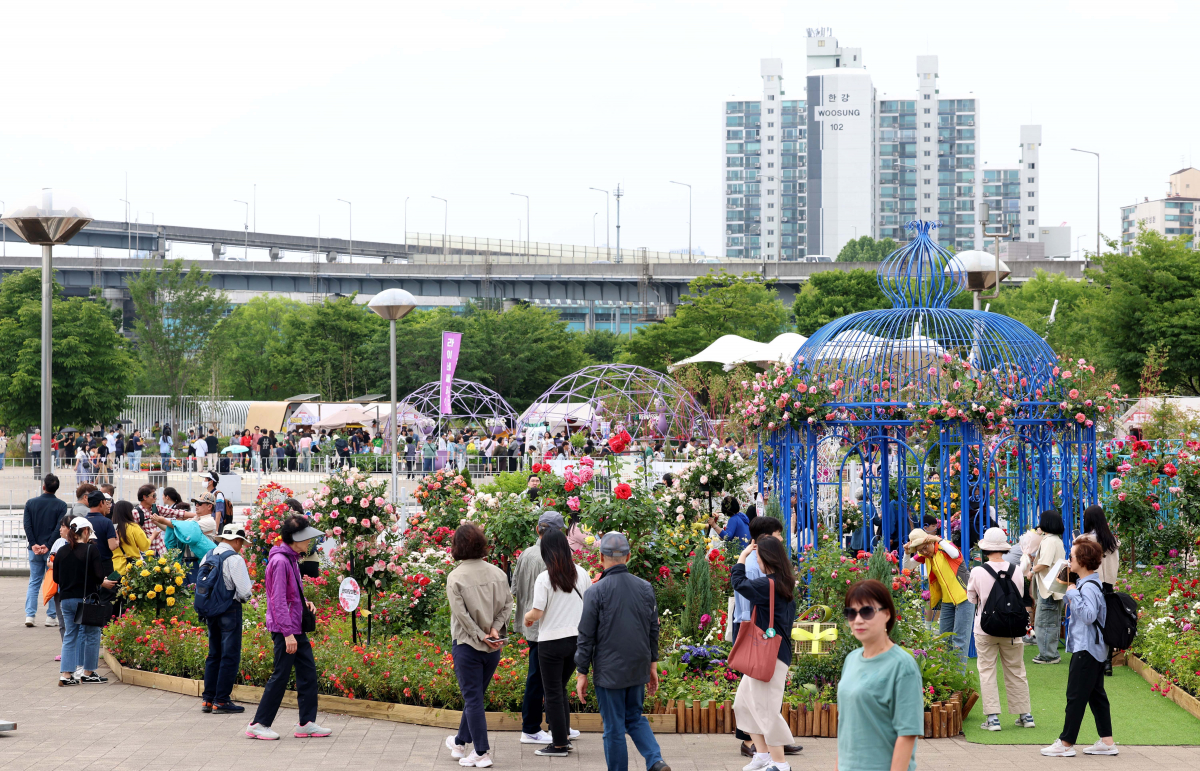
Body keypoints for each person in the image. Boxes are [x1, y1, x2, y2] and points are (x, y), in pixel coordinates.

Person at [575, 532, 670, 771]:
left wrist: (581, 672)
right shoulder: (645, 588)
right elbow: (653, 629)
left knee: (614, 727)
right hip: (637, 664)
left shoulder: (595, 592)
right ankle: (655, 760)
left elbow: (586, 636)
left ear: (600, 558)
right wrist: (652, 664)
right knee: (634, 718)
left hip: (609, 670)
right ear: (628, 556)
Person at [246, 514, 331, 740]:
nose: (309, 543)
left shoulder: (291, 558)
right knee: (281, 675)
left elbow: (290, 596)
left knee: (308, 673)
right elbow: (277, 600)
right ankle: (258, 723)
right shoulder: (281, 561)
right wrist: (287, 634)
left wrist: (305, 603)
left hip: (295, 627)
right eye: (306, 538)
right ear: (294, 538)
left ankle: (306, 722)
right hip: (286, 630)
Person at [730, 516, 802, 758]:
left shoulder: (767, 584)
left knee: (766, 710)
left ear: (767, 559)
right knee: (744, 705)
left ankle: (779, 762)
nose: (756, 562)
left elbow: (739, 582)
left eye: (758, 558)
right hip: (769, 653)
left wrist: (741, 557)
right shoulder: (780, 582)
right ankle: (761, 756)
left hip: (770, 656)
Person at [1041, 537, 1118, 757]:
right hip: (1092, 648)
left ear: (1082, 560)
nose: (1069, 560)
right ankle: (1107, 741)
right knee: (1096, 696)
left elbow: (1088, 615)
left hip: (1087, 649)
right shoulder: (1088, 584)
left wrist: (1072, 592)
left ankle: (1066, 744)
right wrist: (1070, 590)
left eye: (1072, 556)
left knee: (1075, 696)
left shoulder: (1089, 587)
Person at [836, 580, 924, 771]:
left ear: (886, 614)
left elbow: (907, 734)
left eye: (866, 612)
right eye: (851, 613)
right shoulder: (851, 660)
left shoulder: (902, 666)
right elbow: (845, 726)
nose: (858, 620)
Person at [444, 523, 512, 768]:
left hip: (467, 646)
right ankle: (460, 742)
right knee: (475, 697)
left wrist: (478, 634)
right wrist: (494, 628)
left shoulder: (455, 577)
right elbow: (507, 604)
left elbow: (460, 615)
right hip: (493, 646)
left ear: (457, 546)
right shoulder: (498, 573)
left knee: (473, 699)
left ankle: (481, 752)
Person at [522, 528, 592, 756]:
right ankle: (564, 736)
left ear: (546, 551)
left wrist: (526, 617)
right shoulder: (582, 573)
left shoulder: (545, 577)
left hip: (551, 643)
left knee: (552, 691)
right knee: (559, 688)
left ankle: (560, 744)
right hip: (577, 641)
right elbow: (589, 606)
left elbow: (537, 612)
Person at [966, 527, 1034, 732]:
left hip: (985, 629)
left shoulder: (978, 571)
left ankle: (993, 718)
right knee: (1016, 669)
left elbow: (972, 599)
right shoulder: (1016, 570)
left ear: (985, 549)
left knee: (987, 670)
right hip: (1013, 629)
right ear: (1004, 548)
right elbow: (1020, 595)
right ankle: (1025, 715)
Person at [511, 510, 559, 745]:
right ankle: (531, 728)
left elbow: (514, 588)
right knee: (540, 678)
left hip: (531, 625)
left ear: (537, 529)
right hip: (546, 626)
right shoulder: (550, 556)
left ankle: (556, 725)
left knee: (542, 676)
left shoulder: (526, 554)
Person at [54, 517, 115, 685]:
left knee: (70, 635)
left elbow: (56, 577)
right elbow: (97, 575)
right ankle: (88, 672)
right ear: (86, 531)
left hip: (66, 600)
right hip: (86, 599)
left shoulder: (62, 551)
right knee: (92, 634)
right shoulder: (91, 550)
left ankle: (66, 675)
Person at [200, 523, 254, 715]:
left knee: (214, 654)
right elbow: (245, 591)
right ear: (237, 540)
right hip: (229, 610)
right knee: (229, 655)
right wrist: (245, 598)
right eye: (241, 542)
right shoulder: (235, 559)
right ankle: (221, 700)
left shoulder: (209, 555)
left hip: (210, 609)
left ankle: (208, 699)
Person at [904, 527, 973, 663]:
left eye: (925, 547)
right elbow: (908, 566)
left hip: (964, 597)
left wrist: (939, 540)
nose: (923, 552)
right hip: (947, 601)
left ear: (930, 541)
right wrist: (907, 553)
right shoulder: (925, 555)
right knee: (944, 639)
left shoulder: (943, 546)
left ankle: (958, 679)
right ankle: (946, 675)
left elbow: (955, 554)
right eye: (920, 550)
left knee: (959, 639)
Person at [24, 473, 67, 628]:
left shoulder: (30, 503)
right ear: (57, 488)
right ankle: (51, 616)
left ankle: (30, 615)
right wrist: (48, 545)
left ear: (43, 487)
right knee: (55, 580)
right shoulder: (61, 505)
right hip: (53, 549)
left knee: (34, 581)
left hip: (34, 549)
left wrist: (34, 543)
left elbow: (27, 525)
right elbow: (58, 528)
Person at [1029, 510, 1067, 664]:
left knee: (1045, 622)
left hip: (1049, 588)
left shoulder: (1049, 541)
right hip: (1054, 587)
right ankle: (1049, 653)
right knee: (1050, 621)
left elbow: (1044, 563)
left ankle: (1048, 655)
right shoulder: (1056, 540)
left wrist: (1031, 571)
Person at [110, 500, 152, 575]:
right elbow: (144, 546)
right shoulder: (133, 527)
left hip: (115, 568)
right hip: (131, 568)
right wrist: (153, 536)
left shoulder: (111, 527)